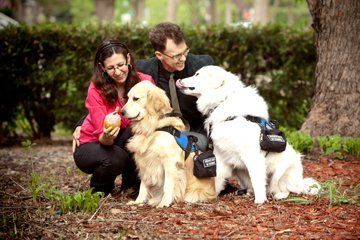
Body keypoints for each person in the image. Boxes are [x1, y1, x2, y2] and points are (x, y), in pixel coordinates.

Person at [73, 39, 154, 196]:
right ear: (102, 67)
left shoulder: (144, 82)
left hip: (125, 138)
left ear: (128, 59)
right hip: (94, 142)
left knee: (138, 129)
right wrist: (107, 136)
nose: (117, 72)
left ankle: (131, 185)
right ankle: (99, 190)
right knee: (117, 158)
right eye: (110, 68)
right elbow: (103, 138)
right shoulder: (96, 89)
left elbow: (153, 116)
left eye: (120, 65)